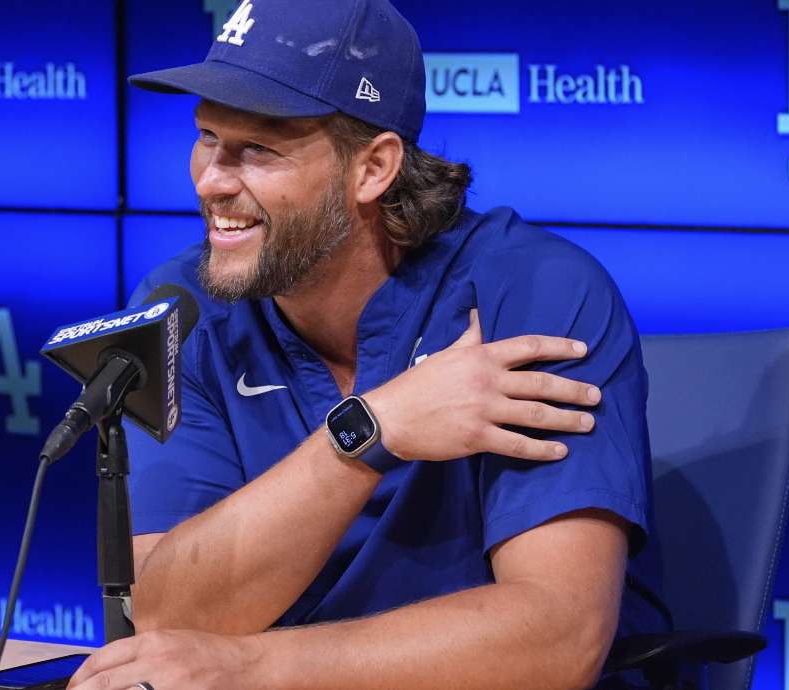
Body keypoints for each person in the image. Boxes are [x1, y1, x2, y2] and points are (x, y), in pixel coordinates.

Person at [71, 1, 665, 688]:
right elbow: (169, 616)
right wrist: (369, 431)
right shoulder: (183, 308)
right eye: (207, 138)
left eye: (257, 149)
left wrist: (253, 666)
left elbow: (560, 639)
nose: (211, 180)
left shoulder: (535, 293)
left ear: (374, 168)